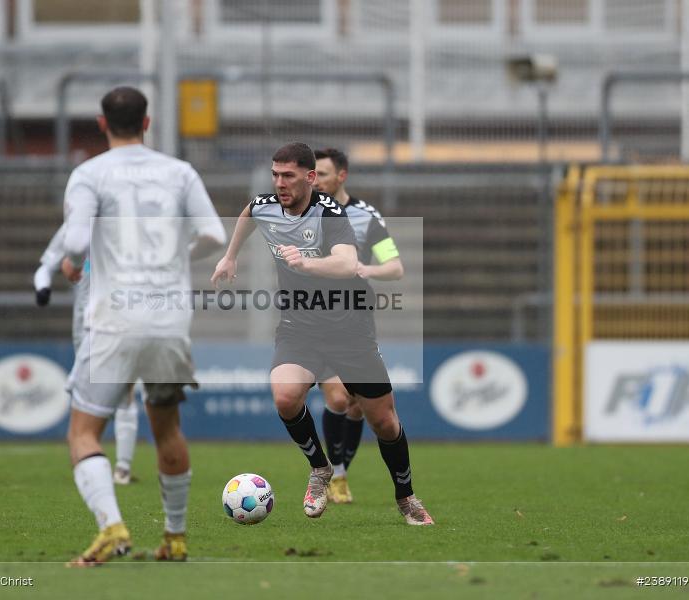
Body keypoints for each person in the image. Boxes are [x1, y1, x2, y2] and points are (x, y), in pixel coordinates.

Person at [211, 142, 432, 525]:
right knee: (285, 396)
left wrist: (309, 263)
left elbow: (348, 264)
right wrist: (230, 255)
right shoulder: (266, 204)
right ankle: (321, 469)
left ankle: (406, 496)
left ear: (311, 178)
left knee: (383, 421)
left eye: (289, 176)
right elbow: (249, 213)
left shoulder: (332, 213)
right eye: (275, 175)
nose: (280, 183)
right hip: (300, 326)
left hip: (350, 331)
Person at [60, 86, 225, 566]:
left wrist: (76, 259)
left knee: (84, 432)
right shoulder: (179, 172)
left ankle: (111, 526)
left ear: (101, 123)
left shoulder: (89, 174)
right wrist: (179, 255)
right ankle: (175, 537)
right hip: (170, 319)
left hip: (115, 318)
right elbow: (214, 234)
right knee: (167, 426)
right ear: (148, 123)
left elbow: (73, 241)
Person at [312, 148, 404, 504]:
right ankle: (335, 474)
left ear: (341, 176)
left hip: (356, 317)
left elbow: (394, 267)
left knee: (356, 405)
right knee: (337, 396)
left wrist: (367, 270)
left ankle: (340, 472)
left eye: (321, 174)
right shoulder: (304, 214)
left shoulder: (366, 217)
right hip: (316, 316)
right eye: (312, 174)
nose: (315, 181)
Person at [33, 224, 140, 485]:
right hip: (85, 327)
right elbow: (46, 265)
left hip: (121, 322)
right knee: (82, 396)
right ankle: (86, 461)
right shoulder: (76, 226)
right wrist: (43, 288)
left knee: (125, 391)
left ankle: (122, 468)